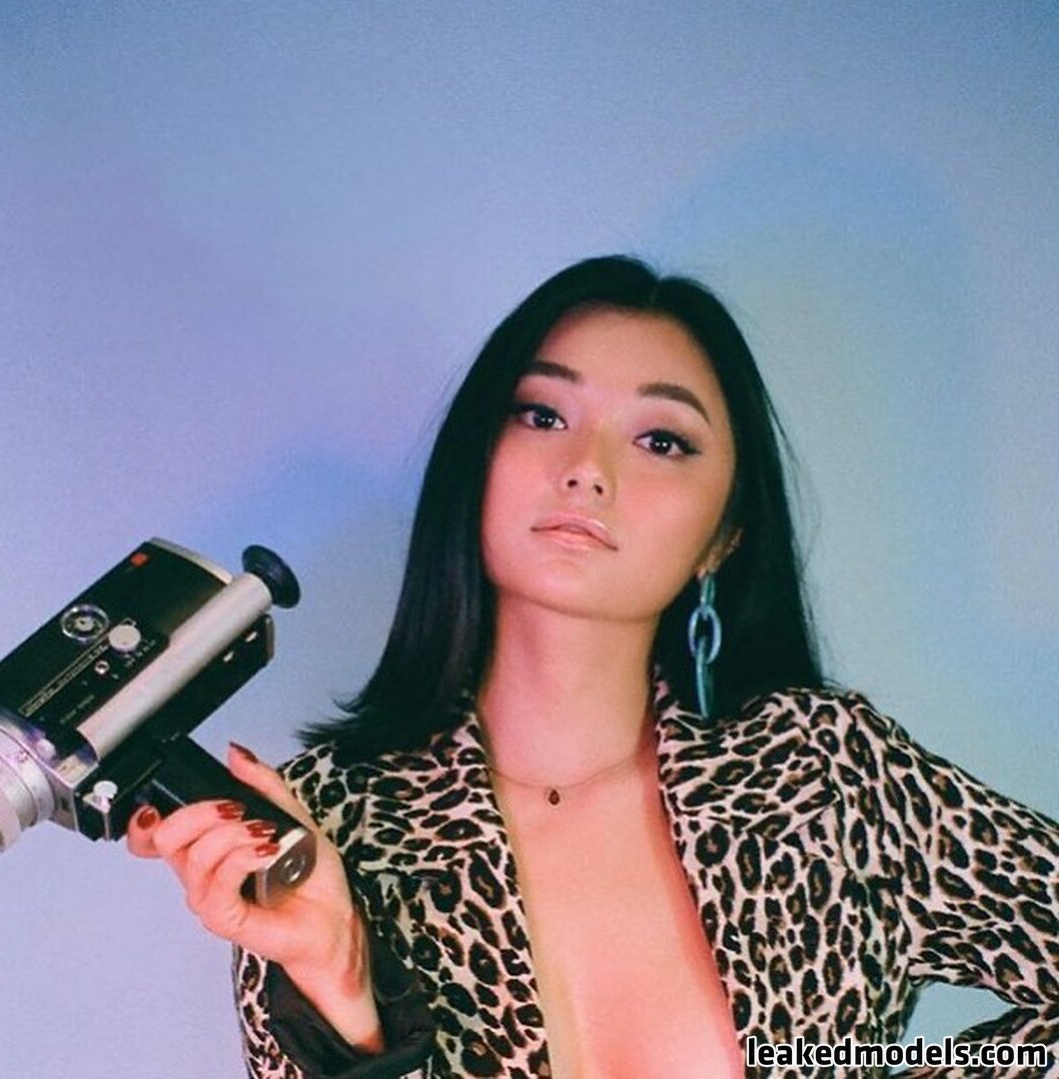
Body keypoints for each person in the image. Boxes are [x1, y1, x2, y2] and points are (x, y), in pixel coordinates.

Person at [128, 256, 1058, 1078]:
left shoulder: (825, 772)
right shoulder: (326, 826)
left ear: (725, 535)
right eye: (542, 414)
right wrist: (339, 987)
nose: (588, 467)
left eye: (662, 440)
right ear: (476, 460)